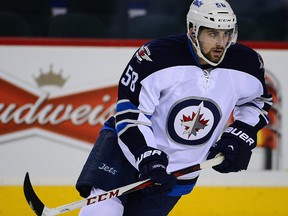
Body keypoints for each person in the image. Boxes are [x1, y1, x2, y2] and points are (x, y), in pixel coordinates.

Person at [76, 0, 273, 215]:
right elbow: (131, 113)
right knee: (100, 212)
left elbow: (258, 102)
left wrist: (239, 135)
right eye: (212, 34)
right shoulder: (156, 57)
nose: (221, 43)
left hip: (179, 168)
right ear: (192, 30)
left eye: (226, 34)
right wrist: (148, 155)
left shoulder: (247, 64)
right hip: (125, 150)